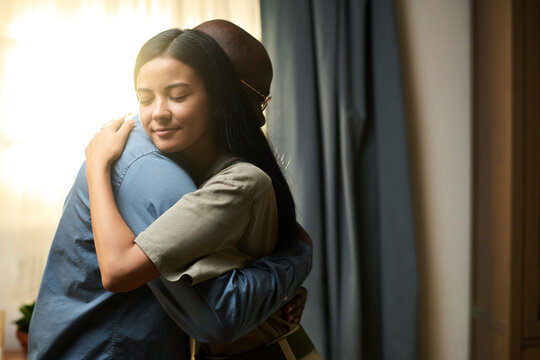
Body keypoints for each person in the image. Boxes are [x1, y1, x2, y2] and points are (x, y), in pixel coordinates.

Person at [28, 24, 312, 360]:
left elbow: (244, 260)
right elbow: (216, 315)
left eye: (177, 95)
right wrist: (292, 266)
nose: (259, 118)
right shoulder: (150, 168)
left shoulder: (216, 173)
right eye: (146, 96)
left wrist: (281, 288)